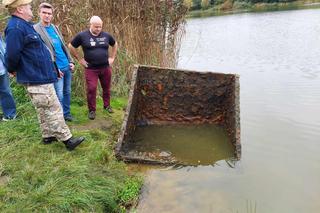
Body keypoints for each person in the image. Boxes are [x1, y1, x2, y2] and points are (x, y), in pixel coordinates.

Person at [3, 0, 85, 150]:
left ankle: (48, 136)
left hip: (41, 75)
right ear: (20, 9)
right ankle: (68, 140)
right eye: (27, 6)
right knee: (53, 107)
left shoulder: (24, 25)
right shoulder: (15, 28)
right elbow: (12, 54)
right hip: (36, 76)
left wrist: (53, 67)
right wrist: (12, 69)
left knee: (42, 108)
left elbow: (40, 51)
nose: (30, 8)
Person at [69, 16, 118, 120]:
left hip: (105, 67)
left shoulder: (106, 36)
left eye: (100, 27)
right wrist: (80, 59)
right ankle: (92, 110)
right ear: (90, 25)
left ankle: (107, 105)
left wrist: (112, 58)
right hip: (91, 69)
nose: (98, 29)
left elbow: (115, 44)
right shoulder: (82, 36)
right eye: (96, 27)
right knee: (91, 88)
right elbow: (71, 46)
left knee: (106, 88)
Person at [34, 2, 75, 122]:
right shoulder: (36, 29)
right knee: (59, 94)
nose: (47, 16)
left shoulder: (54, 28)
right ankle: (59, 118)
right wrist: (53, 68)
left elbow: (63, 46)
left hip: (66, 65)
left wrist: (71, 61)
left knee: (67, 91)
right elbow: (41, 53)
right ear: (39, 13)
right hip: (55, 69)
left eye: (49, 13)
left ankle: (67, 114)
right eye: (44, 13)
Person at [0, 33, 17, 121]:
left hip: (2, 70)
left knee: (6, 92)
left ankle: (10, 115)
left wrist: (9, 67)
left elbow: (4, 50)